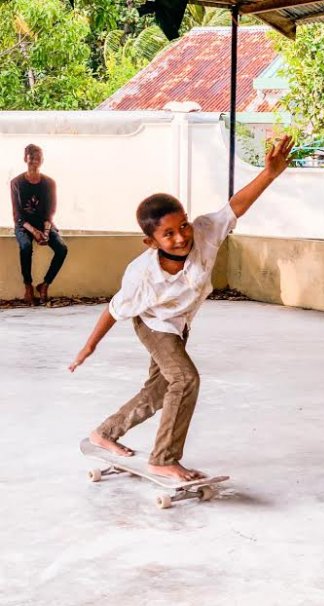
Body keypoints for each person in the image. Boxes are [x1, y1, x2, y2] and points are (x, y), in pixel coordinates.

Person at [69, 135, 294, 481]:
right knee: (185, 380)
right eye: (169, 234)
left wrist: (270, 174)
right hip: (155, 325)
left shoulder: (204, 231)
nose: (182, 237)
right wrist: (88, 347)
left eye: (183, 225)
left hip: (180, 324)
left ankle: (106, 433)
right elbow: (114, 310)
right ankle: (164, 457)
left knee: (160, 390)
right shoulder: (142, 275)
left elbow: (235, 206)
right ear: (152, 241)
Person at [11, 144, 68, 304]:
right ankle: (28, 286)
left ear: (42, 160)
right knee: (25, 247)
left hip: (45, 225)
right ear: (25, 159)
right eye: (31, 159)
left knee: (62, 248)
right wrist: (34, 232)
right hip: (24, 225)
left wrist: (47, 232)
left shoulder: (49, 183)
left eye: (38, 159)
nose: (34, 162)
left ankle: (45, 284)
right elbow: (17, 215)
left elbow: (50, 211)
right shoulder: (17, 183)